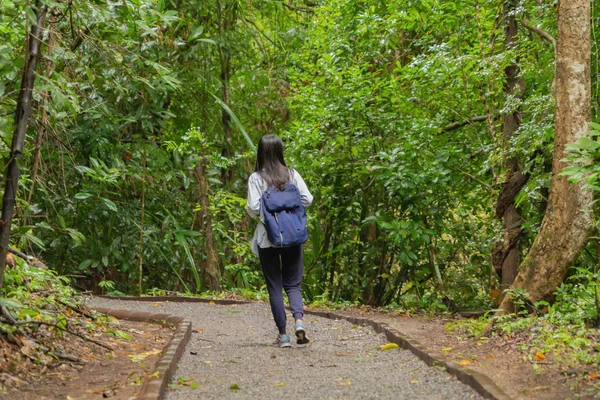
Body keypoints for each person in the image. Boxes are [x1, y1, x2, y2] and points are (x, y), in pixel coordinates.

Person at [247, 134, 313, 348]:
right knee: (293, 284)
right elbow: (307, 199)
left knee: (274, 286)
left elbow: (254, 209)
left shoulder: (256, 178)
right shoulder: (292, 175)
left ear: (261, 153)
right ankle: (300, 321)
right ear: (280, 151)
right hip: (293, 236)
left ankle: (283, 335)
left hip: (268, 239)